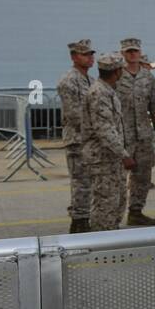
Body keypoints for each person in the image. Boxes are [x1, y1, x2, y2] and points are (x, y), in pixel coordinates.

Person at [83, 53, 134, 232]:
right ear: (117, 71)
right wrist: (124, 154)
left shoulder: (107, 90)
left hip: (110, 157)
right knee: (105, 202)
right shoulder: (99, 93)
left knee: (116, 200)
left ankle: (111, 234)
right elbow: (104, 129)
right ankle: (101, 241)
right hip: (102, 158)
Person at [115, 37, 155, 225]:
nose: (132, 54)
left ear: (140, 53)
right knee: (117, 178)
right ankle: (114, 215)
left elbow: (154, 106)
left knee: (142, 176)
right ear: (123, 54)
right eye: (128, 51)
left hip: (143, 135)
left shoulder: (147, 77)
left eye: (135, 51)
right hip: (122, 136)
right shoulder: (117, 76)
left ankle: (136, 211)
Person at [57, 39, 96, 233]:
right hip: (77, 140)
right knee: (80, 182)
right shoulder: (68, 81)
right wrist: (97, 125)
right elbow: (74, 114)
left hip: (88, 140)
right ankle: (78, 221)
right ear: (74, 57)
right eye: (85, 54)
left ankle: (84, 217)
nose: (90, 58)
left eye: (91, 54)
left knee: (88, 181)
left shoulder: (90, 79)